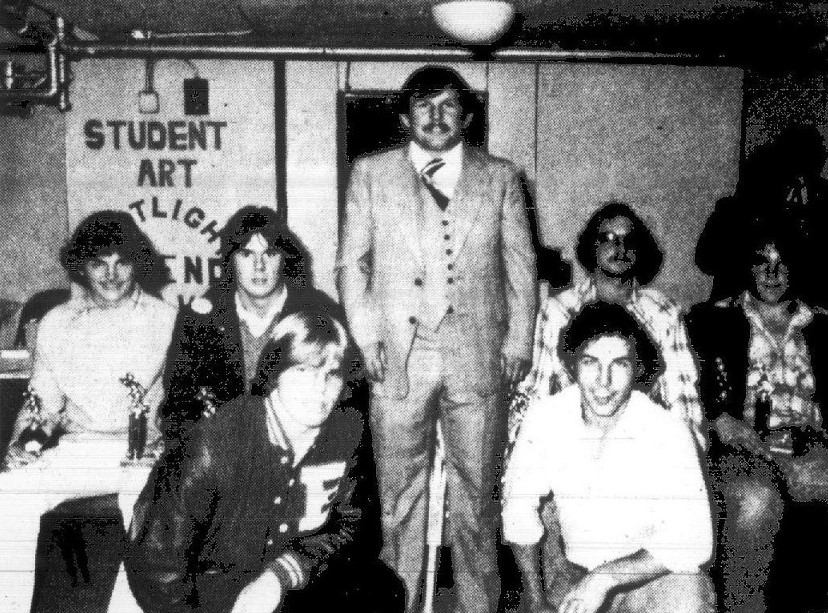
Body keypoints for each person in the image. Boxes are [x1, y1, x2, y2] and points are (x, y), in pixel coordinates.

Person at [337, 65, 537, 613]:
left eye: (449, 105)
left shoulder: (501, 177)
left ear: (467, 117)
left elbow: (522, 269)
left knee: (478, 498)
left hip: (477, 355)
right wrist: (366, 337)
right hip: (398, 357)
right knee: (398, 498)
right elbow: (352, 264)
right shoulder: (370, 174)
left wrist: (518, 341)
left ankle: (477, 608)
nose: (436, 116)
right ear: (405, 118)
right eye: (423, 106)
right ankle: (397, 606)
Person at [126, 310, 403, 613]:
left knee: (382, 589)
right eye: (303, 370)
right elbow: (155, 564)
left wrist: (281, 574)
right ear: (274, 372)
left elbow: (355, 531)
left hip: (289, 581)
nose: (320, 388)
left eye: (332, 374)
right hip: (210, 591)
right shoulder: (211, 446)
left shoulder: (345, 433)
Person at [0, 210, 177, 613]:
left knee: (144, 505)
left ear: (136, 263)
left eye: (121, 262)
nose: (111, 275)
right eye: (99, 263)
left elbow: (181, 406)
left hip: (142, 456)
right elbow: (41, 404)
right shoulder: (55, 323)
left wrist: (166, 442)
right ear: (81, 266)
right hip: (77, 451)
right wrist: (21, 444)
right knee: (8, 492)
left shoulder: (167, 321)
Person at [503, 302, 714, 613]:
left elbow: (695, 540)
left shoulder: (667, 430)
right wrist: (536, 600)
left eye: (619, 364)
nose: (604, 381)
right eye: (591, 362)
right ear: (572, 365)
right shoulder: (545, 417)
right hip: (573, 575)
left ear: (637, 369)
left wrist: (604, 578)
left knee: (688, 596)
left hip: (647, 580)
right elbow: (518, 510)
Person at [688, 218, 828, 613]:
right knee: (755, 500)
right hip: (745, 447)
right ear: (746, 267)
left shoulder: (822, 325)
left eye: (782, 263)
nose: (771, 273)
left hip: (811, 448)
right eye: (761, 261)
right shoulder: (713, 320)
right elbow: (686, 383)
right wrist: (717, 416)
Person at [511, 201, 704, 445]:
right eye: (608, 238)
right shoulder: (558, 311)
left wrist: (686, 454)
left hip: (642, 445)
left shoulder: (663, 313)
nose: (620, 247)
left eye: (629, 240)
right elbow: (536, 395)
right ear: (592, 246)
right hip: (571, 445)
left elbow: (682, 400)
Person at [162, 205, 341, 443]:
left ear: (284, 258)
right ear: (231, 260)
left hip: (302, 452)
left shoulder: (320, 312)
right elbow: (177, 409)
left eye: (270, 253)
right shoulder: (199, 319)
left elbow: (345, 407)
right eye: (246, 254)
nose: (259, 265)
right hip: (220, 455)